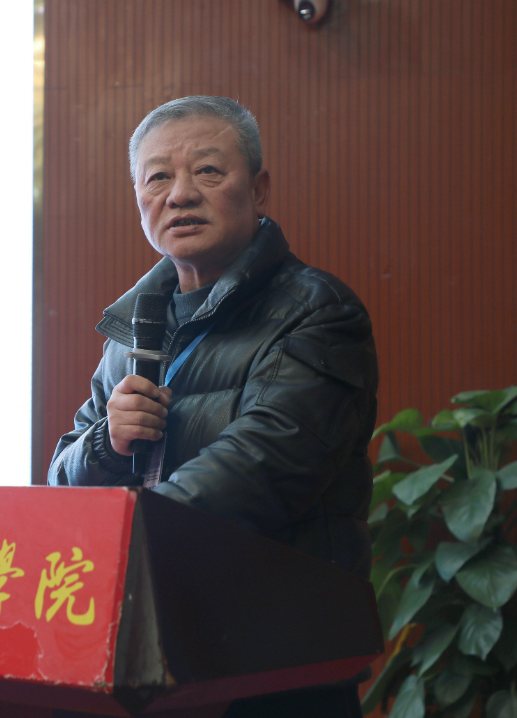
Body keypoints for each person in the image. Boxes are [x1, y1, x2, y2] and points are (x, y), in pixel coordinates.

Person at [47, 96, 378, 717]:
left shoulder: (317, 312)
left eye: (207, 171)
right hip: (152, 657)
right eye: (158, 178)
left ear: (259, 189)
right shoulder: (132, 330)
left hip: (274, 665)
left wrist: (120, 548)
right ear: (139, 199)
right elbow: (62, 478)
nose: (180, 195)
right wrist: (105, 444)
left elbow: (264, 468)